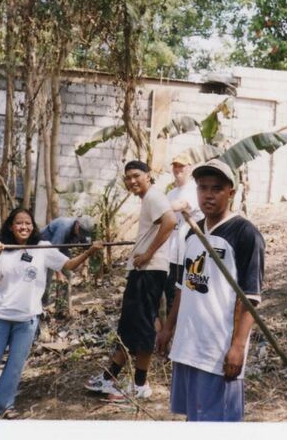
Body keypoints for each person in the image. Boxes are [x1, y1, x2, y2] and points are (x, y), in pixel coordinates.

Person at [0, 208, 102, 420]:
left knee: (14, 368)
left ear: (33, 226)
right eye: (19, 223)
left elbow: (68, 264)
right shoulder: (1, 249)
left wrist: (89, 251)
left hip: (27, 320)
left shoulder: (43, 247)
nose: (23, 227)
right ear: (10, 226)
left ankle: (3, 407)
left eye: (27, 223)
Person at [156, 159, 265, 422]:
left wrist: (237, 346)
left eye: (216, 188)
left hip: (217, 351)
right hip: (189, 347)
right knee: (195, 418)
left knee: (217, 422)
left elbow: (249, 297)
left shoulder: (244, 233)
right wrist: (169, 328)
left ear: (231, 192)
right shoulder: (192, 234)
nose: (208, 194)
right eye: (202, 187)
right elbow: (184, 286)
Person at [85, 160, 176, 400]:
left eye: (136, 175)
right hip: (142, 272)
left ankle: (140, 385)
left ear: (149, 175)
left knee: (143, 327)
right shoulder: (149, 199)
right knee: (129, 327)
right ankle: (109, 378)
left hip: (150, 271)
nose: (132, 181)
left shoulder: (154, 196)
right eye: (128, 177)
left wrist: (147, 254)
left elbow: (171, 221)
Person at [163, 153, 202, 317]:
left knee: (188, 293)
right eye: (175, 166)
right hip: (172, 253)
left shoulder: (194, 189)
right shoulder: (171, 193)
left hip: (190, 252)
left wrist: (159, 206)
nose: (178, 169)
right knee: (171, 293)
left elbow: (182, 205)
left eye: (182, 166)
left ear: (189, 168)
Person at [40, 215, 96, 305]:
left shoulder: (84, 232)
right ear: (77, 224)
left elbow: (87, 249)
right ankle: (43, 304)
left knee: (68, 274)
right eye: (81, 232)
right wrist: (59, 274)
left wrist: (85, 267)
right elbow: (54, 251)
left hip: (62, 247)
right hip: (44, 247)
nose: (82, 235)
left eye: (84, 233)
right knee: (47, 277)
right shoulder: (64, 226)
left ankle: (63, 304)